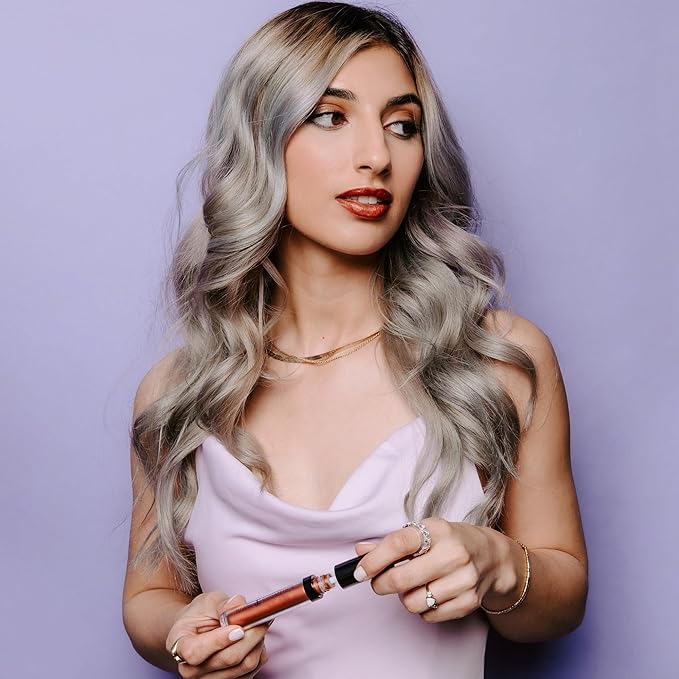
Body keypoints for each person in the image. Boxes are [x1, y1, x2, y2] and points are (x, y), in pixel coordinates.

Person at [122, 2, 588, 677]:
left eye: (402, 126)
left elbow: (562, 600)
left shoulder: (499, 360)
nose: (376, 157)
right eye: (330, 116)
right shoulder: (178, 392)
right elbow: (148, 596)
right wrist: (180, 631)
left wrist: (498, 565)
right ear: (260, 136)